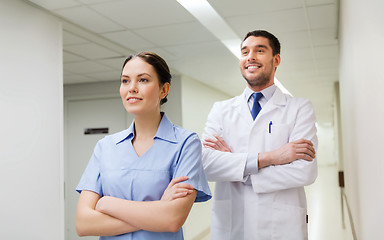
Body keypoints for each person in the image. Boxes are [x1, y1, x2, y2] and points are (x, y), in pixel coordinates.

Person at [75, 51, 211, 240]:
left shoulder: (186, 143)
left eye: (143, 80)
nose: (132, 88)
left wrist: (107, 204)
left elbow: (172, 220)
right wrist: (157, 210)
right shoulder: (105, 147)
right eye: (125, 81)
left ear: (164, 90)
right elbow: (83, 224)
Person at [202, 30, 318, 240]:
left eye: (260, 50)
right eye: (245, 52)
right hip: (232, 225)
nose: (250, 57)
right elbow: (207, 165)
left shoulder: (300, 108)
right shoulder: (221, 110)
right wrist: (274, 157)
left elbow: (304, 171)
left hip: (281, 226)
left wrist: (236, 168)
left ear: (276, 59)